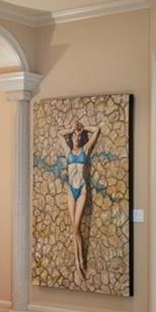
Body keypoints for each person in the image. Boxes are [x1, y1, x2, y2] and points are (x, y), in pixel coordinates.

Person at [58, 120, 101, 279]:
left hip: (82, 190)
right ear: (72, 138)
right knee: (73, 228)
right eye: (75, 136)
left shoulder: (85, 149)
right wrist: (71, 129)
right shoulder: (67, 151)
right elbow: (59, 134)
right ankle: (79, 261)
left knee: (76, 226)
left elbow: (96, 130)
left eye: (79, 136)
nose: (77, 138)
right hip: (70, 190)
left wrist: (84, 128)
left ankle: (80, 261)